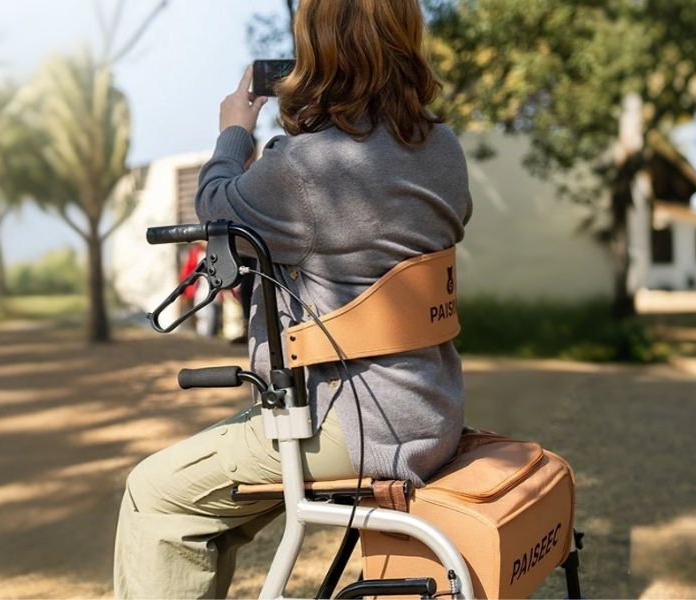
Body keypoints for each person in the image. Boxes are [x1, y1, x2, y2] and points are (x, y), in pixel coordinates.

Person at [114, 0, 472, 597]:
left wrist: (235, 127)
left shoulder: (307, 167)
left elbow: (216, 208)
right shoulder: (443, 149)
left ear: (319, 51)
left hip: (349, 424)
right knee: (206, 504)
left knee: (156, 495)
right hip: (430, 409)